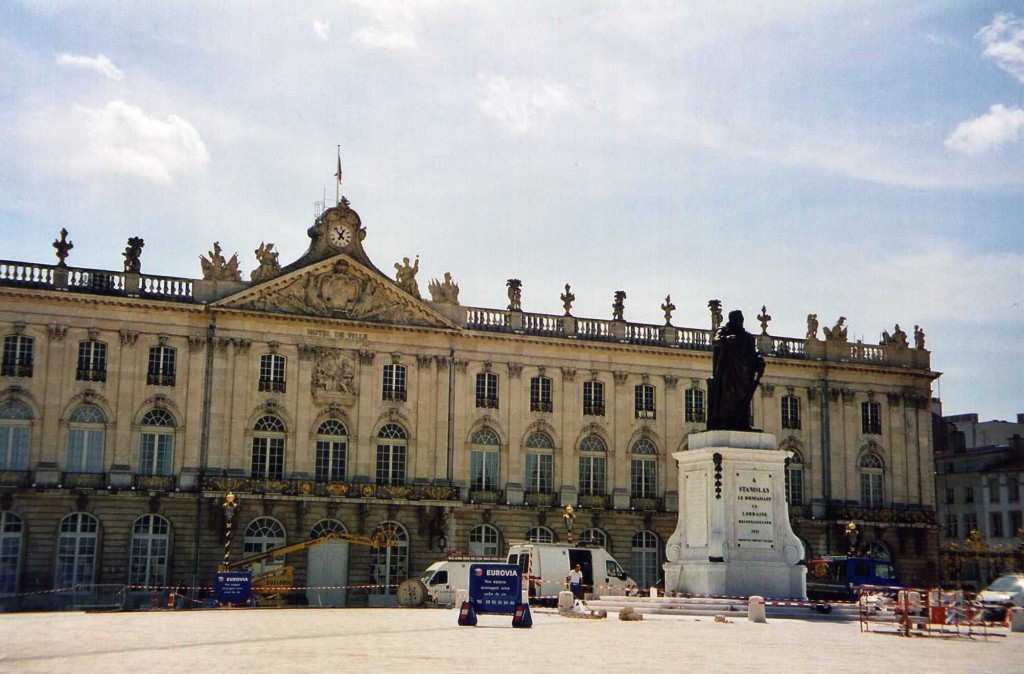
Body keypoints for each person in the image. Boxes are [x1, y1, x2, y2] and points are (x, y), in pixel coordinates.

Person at [707, 310, 765, 431]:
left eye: (742, 320)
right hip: (728, 371)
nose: (741, 322)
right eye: (738, 320)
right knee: (728, 395)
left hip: (744, 374)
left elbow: (754, 352)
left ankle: (743, 422)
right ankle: (724, 421)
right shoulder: (724, 330)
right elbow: (715, 341)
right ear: (732, 320)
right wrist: (727, 339)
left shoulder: (748, 337)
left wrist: (759, 360)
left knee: (743, 398)